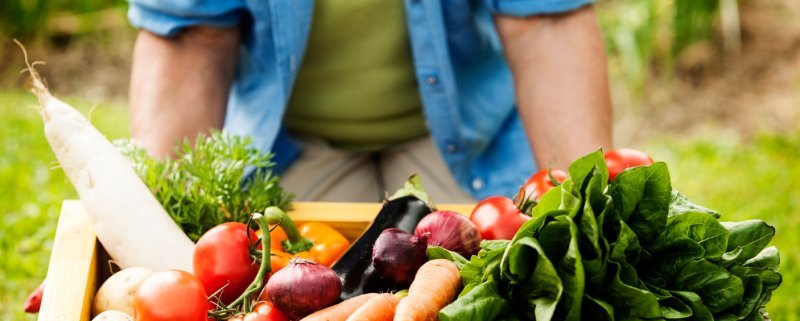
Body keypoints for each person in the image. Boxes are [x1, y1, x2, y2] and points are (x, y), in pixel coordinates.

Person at [127, 0, 612, 203]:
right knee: (284, 298)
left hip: (469, 136)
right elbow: (193, 36)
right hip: (290, 142)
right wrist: (157, 225)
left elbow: (543, 22)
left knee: (502, 294)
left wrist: (589, 211)